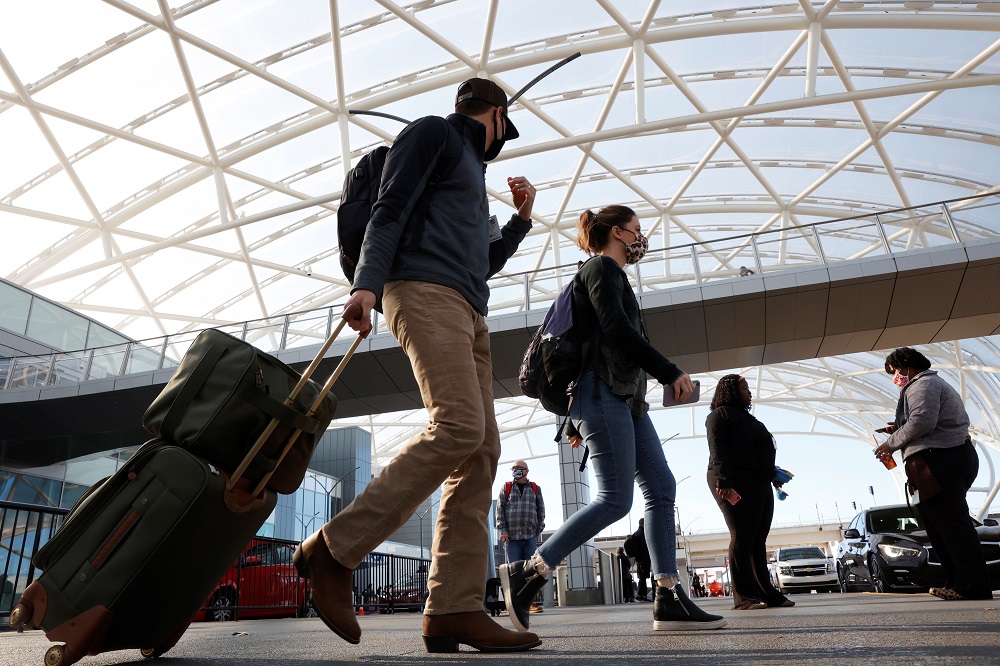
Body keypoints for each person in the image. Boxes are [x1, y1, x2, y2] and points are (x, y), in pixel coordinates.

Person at [293, 77, 542, 653]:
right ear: (496, 116)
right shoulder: (431, 134)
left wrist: (521, 219)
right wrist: (367, 285)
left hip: (467, 305)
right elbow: (390, 208)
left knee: (479, 451)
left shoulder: (472, 179)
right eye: (506, 129)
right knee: (457, 424)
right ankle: (332, 551)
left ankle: (453, 610)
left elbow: (484, 262)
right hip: (423, 293)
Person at [499, 205, 726, 633]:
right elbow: (617, 333)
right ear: (618, 232)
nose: (641, 237)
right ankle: (528, 570)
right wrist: (670, 371)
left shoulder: (607, 274)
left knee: (661, 487)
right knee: (616, 499)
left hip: (622, 399)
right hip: (602, 393)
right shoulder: (601, 268)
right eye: (637, 230)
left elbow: (598, 342)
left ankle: (666, 593)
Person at [873, 347, 992, 601]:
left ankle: (972, 587)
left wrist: (891, 442)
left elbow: (924, 421)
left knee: (952, 526)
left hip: (938, 459)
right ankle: (958, 584)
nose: (895, 378)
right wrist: (898, 428)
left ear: (906, 366)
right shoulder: (927, 385)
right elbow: (927, 420)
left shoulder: (922, 385)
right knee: (942, 526)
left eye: (895, 372)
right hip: (941, 457)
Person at [706, 374, 794, 610]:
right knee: (742, 535)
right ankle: (744, 596)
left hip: (759, 480)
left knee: (758, 539)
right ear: (732, 391)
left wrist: (771, 474)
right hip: (732, 480)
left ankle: (767, 594)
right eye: (744, 388)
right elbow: (718, 449)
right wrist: (724, 481)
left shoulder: (748, 418)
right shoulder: (719, 415)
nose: (749, 392)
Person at [497, 460, 546, 613]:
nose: (516, 470)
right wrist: (503, 530)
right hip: (511, 539)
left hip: (530, 537)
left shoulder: (535, 488)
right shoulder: (507, 487)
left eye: (519, 468)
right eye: (514, 468)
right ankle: (515, 602)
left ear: (526, 471)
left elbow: (541, 511)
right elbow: (500, 511)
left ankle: (529, 603)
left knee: (531, 572)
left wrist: (537, 530)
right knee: (515, 572)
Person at [624, 518, 653, 601]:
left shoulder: (636, 534)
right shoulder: (642, 533)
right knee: (643, 578)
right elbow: (646, 544)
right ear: (642, 524)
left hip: (640, 559)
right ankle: (641, 595)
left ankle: (642, 594)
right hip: (644, 559)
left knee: (642, 577)